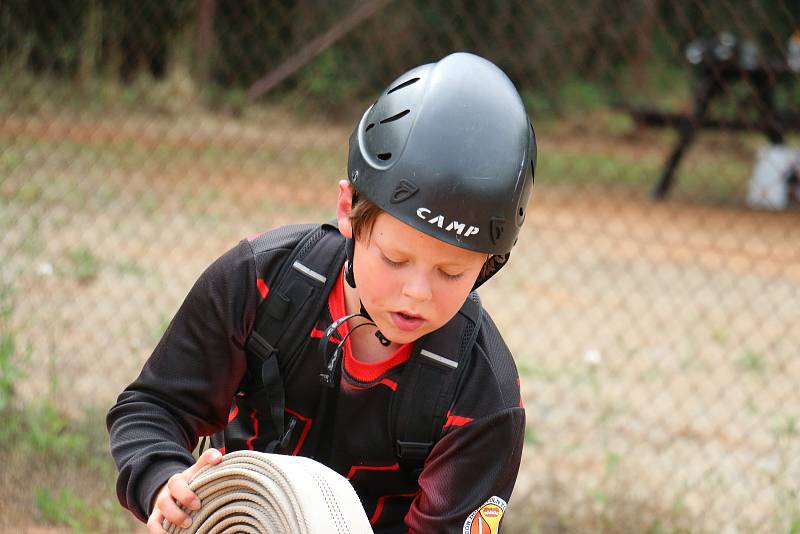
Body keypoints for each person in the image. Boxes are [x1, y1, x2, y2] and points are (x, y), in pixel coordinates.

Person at [107, 51, 536, 534]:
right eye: (395, 259)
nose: (417, 293)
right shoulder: (262, 280)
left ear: (488, 265)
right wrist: (162, 480)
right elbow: (153, 407)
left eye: (451, 273)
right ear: (348, 209)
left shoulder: (481, 395)